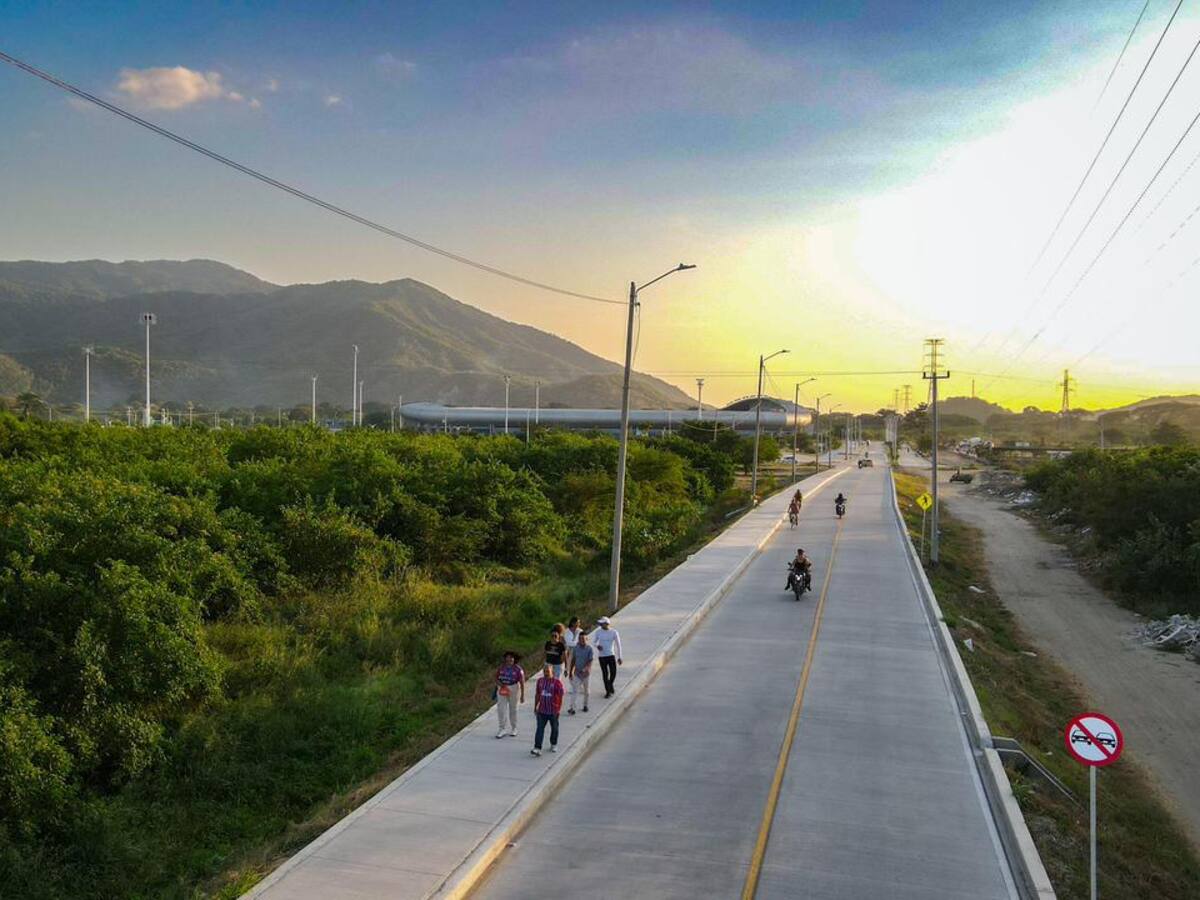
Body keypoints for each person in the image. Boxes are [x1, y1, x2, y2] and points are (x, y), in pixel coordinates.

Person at [530, 663, 564, 757]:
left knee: (554, 728)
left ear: (552, 672)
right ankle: (537, 748)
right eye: (544, 671)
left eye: (547, 671)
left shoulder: (557, 683)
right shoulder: (540, 681)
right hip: (542, 711)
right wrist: (535, 706)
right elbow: (537, 694)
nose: (546, 673)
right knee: (539, 729)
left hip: (553, 711)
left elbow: (561, 696)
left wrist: (558, 709)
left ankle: (553, 744)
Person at [494, 651, 525, 739]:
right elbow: (496, 678)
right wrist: (501, 685)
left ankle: (514, 728)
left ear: (514, 659)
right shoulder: (501, 668)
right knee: (501, 709)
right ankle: (502, 728)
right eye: (508, 657)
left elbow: (522, 682)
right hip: (502, 688)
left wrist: (522, 695)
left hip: (514, 688)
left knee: (513, 709)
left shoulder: (518, 669)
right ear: (505, 659)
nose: (509, 659)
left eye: (511, 657)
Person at [592, 616, 623, 698]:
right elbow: (594, 642)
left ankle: (610, 684)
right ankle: (608, 691)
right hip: (602, 656)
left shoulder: (614, 632)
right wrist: (597, 645)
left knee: (613, 672)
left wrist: (620, 657)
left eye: (602, 623)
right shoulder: (598, 632)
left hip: (611, 655)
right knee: (605, 674)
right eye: (600, 624)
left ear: (607, 624)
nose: (601, 625)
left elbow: (618, 645)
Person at [567, 628, 593, 714]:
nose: (582, 640)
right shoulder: (576, 648)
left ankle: (585, 705)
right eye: (580, 639)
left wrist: (586, 669)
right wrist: (570, 671)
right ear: (578, 639)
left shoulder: (590, 649)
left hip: (586, 674)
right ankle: (572, 708)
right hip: (577, 673)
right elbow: (573, 660)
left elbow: (590, 661)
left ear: (587, 639)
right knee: (575, 690)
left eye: (584, 639)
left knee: (586, 691)